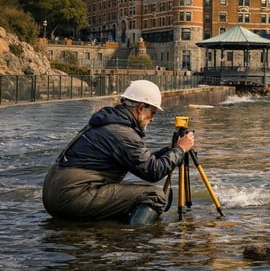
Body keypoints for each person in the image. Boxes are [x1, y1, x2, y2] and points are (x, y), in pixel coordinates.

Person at [42, 80, 195, 224]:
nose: (152, 119)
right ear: (141, 108)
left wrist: (170, 150)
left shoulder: (110, 122)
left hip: (56, 192)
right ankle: (133, 238)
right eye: (153, 113)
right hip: (72, 196)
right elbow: (153, 171)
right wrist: (180, 149)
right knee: (154, 196)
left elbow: (142, 161)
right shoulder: (122, 133)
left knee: (129, 199)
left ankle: (108, 230)